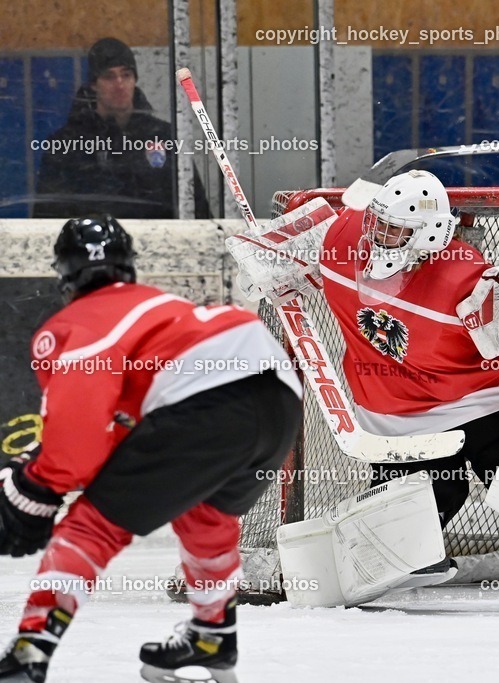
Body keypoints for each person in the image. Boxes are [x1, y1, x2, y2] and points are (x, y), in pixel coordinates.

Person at [0, 216, 302, 682]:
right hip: (277, 398)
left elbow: (77, 443)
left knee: (91, 527)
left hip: (207, 402)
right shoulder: (161, 305)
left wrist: (35, 487)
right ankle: (212, 633)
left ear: (64, 274)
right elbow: (129, 437)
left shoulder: (68, 325)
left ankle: (29, 653)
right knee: (206, 513)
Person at [317, 170, 499, 581]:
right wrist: (274, 252)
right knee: (408, 533)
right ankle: (401, 551)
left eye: (395, 230)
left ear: (428, 236)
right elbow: (324, 219)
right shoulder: (345, 235)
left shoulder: (464, 279)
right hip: (398, 417)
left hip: (484, 400)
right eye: (377, 222)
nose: (377, 237)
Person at [32, 38, 209, 219]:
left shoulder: (163, 136)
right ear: (94, 85)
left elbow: (196, 207)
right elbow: (47, 217)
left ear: (135, 80)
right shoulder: (66, 144)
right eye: (109, 77)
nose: (119, 84)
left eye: (126, 75)